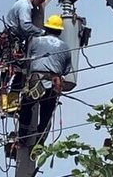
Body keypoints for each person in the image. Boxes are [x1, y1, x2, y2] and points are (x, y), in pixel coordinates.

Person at [17, 13, 72, 148]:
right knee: (46, 115)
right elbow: (66, 70)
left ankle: (23, 138)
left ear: (46, 29)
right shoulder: (65, 47)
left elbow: (28, 62)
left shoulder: (36, 41)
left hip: (36, 80)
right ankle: (39, 144)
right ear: (59, 31)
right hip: (54, 83)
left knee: (25, 107)